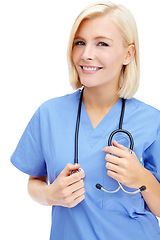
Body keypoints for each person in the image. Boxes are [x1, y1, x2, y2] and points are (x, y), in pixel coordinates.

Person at [11, 1, 160, 239]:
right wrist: (51, 195)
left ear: (128, 54)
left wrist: (141, 178)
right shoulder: (49, 114)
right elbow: (34, 182)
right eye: (79, 42)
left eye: (102, 43)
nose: (86, 54)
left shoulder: (152, 121)